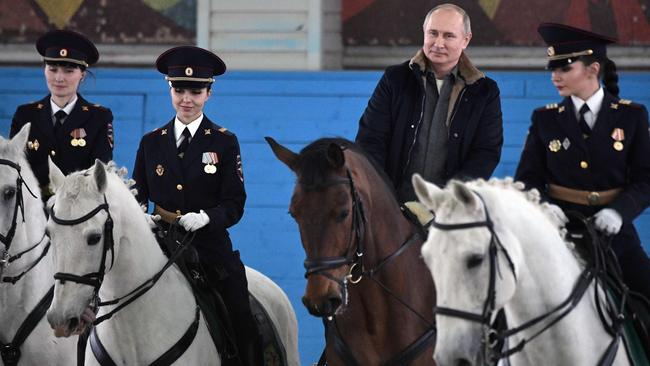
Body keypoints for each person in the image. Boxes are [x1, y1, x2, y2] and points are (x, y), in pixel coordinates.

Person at [132, 46, 262, 366]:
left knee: (242, 317)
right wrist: (142, 219)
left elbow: (235, 203)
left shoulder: (223, 141)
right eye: (179, 90)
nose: (186, 98)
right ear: (170, 90)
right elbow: (137, 194)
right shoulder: (152, 141)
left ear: (208, 93)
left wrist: (206, 218)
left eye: (195, 90)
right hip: (159, 243)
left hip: (209, 248)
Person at [515, 23, 650, 301]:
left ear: (593, 69)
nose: (555, 77)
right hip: (558, 233)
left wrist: (618, 212)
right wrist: (545, 209)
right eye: (553, 69)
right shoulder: (545, 119)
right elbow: (527, 180)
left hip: (615, 236)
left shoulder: (631, 116)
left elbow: (646, 179)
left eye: (564, 68)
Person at [355, 3, 503, 202]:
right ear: (424, 33)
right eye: (433, 33)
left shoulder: (485, 92)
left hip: (451, 210)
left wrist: (450, 198)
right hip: (391, 207)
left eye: (448, 36)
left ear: (465, 40)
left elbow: (486, 152)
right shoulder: (395, 79)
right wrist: (383, 194)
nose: (438, 43)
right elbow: (370, 139)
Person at [10, 29, 114, 200]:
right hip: (31, 208)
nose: (59, 78)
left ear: (82, 75)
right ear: (44, 70)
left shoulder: (99, 117)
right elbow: (14, 167)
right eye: (53, 69)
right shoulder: (25, 114)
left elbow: (99, 171)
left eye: (68, 71)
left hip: (76, 212)